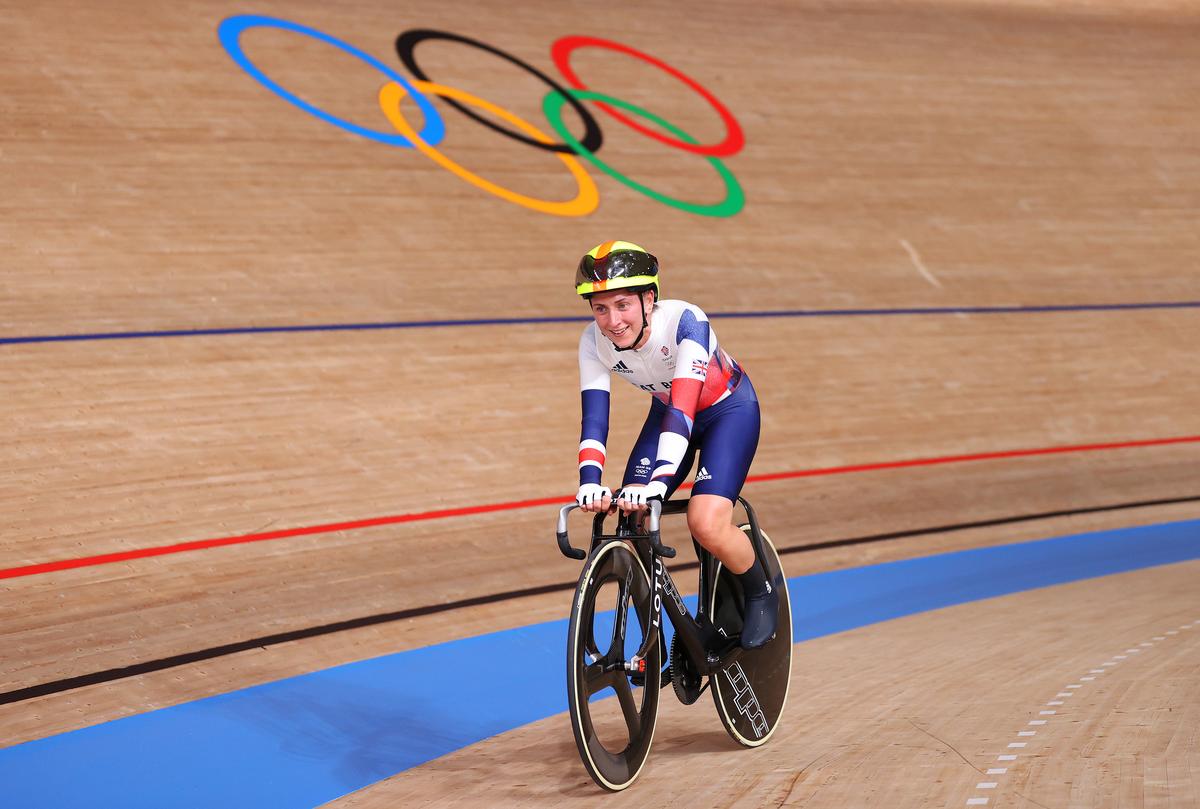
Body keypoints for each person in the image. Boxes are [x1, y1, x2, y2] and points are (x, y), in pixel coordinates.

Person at [572, 240, 778, 649]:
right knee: (630, 523)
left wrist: (658, 484)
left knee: (704, 523)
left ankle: (760, 591)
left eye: (623, 305)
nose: (612, 321)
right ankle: (655, 635)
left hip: (726, 413)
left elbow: (684, 412)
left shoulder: (687, 321)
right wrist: (589, 480)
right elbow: (595, 419)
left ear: (650, 298)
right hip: (667, 415)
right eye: (600, 308)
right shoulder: (592, 342)